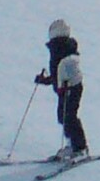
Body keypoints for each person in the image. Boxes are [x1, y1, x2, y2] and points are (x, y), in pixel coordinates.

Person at [36, 19, 88, 161]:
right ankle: (72, 145)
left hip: (71, 88)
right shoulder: (61, 48)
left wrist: (63, 82)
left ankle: (80, 148)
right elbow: (58, 73)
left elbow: (66, 70)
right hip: (67, 88)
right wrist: (46, 80)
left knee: (69, 117)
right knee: (63, 116)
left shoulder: (62, 48)